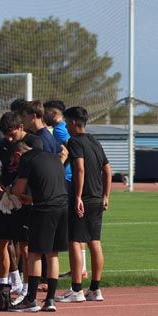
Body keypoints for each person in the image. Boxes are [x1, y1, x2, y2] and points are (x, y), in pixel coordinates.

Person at [57, 106, 111, 303]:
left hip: (83, 198)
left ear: (72, 122)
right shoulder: (94, 141)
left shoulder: (74, 141)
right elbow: (107, 170)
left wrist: (78, 196)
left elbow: (79, 169)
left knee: (75, 241)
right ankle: (95, 288)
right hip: (97, 198)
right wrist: (106, 195)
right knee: (94, 242)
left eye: (66, 122)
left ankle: (77, 289)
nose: (65, 126)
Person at [10, 139, 70, 312]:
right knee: (53, 254)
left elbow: (18, 189)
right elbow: (49, 185)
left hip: (44, 210)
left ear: (18, 154)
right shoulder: (52, 157)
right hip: (62, 207)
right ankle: (50, 299)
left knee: (34, 253)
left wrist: (9, 190)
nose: (16, 165)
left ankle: (31, 299)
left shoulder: (27, 159)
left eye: (15, 162)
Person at [0, 111, 34, 296]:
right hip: (6, 200)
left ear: (20, 128)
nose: (8, 138)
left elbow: (37, 172)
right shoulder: (1, 145)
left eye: (11, 134)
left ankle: (26, 289)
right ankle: (3, 285)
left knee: (25, 246)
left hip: (24, 201)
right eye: (5, 134)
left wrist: (25, 194)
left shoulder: (33, 143)